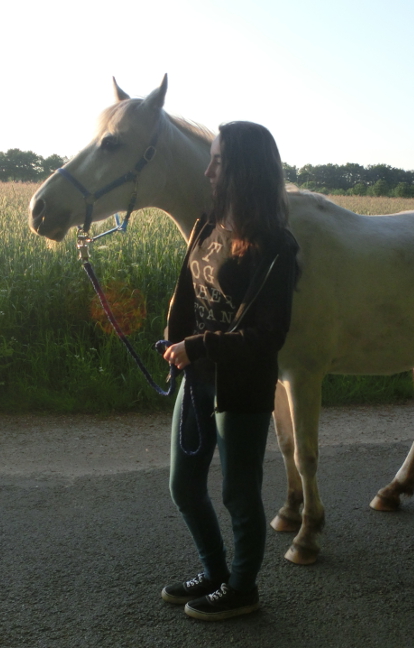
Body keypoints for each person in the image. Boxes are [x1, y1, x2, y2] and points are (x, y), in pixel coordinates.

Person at [161, 121, 300, 621]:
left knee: (238, 494)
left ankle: (242, 590)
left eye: (218, 161)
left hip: (241, 385)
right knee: (183, 485)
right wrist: (174, 338)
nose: (208, 171)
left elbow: (268, 336)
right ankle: (215, 572)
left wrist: (197, 346)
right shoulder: (207, 223)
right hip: (197, 377)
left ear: (243, 169)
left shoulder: (275, 246)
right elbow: (188, 291)